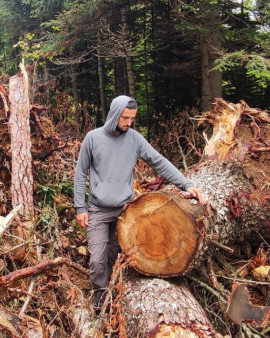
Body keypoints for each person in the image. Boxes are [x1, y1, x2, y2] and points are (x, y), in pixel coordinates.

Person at [74, 96, 206, 311]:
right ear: (114, 114)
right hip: (98, 210)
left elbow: (158, 161)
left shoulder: (134, 139)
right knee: (97, 261)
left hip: (126, 213)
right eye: (125, 118)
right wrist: (80, 208)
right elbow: (80, 174)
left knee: (114, 257)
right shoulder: (93, 138)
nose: (129, 122)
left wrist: (185, 184)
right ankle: (100, 304)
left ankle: (115, 299)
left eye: (132, 118)